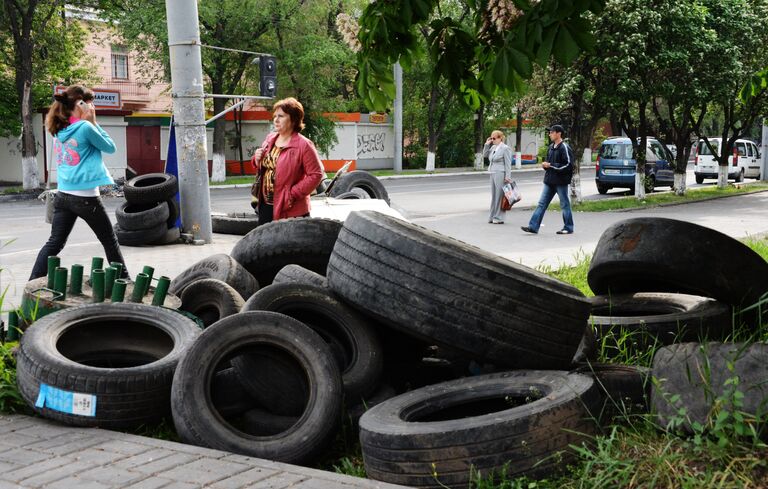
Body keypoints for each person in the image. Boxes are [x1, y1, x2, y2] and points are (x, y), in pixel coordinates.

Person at [29, 85, 129, 280]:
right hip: (86, 198)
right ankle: (126, 281)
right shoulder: (84, 127)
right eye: (88, 102)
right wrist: (93, 122)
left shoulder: (60, 128)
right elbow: (110, 147)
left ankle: (32, 282)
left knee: (54, 243)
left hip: (63, 196)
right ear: (79, 104)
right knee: (110, 241)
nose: (92, 105)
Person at [250, 97, 324, 225]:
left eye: (281, 116)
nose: (276, 120)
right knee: (265, 243)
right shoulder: (270, 138)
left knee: (288, 244)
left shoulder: (304, 145)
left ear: (293, 119)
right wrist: (256, 158)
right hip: (266, 205)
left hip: (291, 208)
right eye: (275, 116)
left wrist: (292, 194)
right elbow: (265, 166)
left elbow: (316, 174)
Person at [521, 124, 574, 235]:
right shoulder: (550, 147)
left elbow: (568, 165)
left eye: (552, 132)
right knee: (541, 204)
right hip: (549, 181)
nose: (549, 134)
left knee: (564, 204)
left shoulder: (564, 147)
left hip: (561, 182)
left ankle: (568, 227)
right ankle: (533, 227)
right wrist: (545, 166)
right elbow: (549, 164)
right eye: (549, 132)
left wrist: (550, 165)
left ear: (558, 133)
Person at [483, 130, 513, 224]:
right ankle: (492, 216)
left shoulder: (505, 148)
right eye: (491, 138)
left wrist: (508, 176)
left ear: (500, 138)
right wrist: (486, 145)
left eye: (494, 138)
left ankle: (499, 217)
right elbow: (485, 155)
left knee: (499, 196)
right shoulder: (493, 147)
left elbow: (508, 163)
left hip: (501, 173)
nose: (492, 140)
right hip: (492, 172)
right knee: (494, 196)